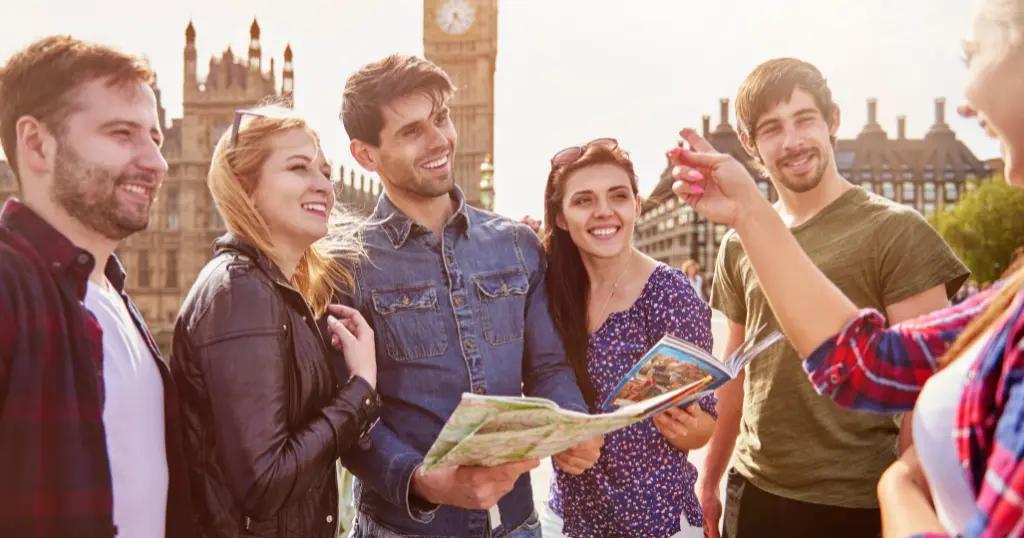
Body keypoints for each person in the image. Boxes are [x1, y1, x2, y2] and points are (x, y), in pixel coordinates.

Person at [671, 2, 1024, 535]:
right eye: (772, 128)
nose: (791, 142)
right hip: (756, 488)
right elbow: (846, 363)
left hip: (852, 504)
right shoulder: (738, 246)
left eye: (805, 120)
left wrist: (900, 489)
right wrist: (711, 477)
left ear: (833, 122)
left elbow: (920, 390)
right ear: (750, 144)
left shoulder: (896, 230)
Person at [337, 54, 602, 538]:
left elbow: (548, 368)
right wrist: (422, 481)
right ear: (365, 155)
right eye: (412, 131)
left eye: (441, 118)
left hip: (514, 525)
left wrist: (571, 425)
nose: (440, 140)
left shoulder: (517, 246)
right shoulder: (347, 266)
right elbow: (345, 419)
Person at [0, 36, 194, 537]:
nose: (157, 162)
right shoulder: (10, 286)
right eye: (122, 133)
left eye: (154, 135)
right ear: (37, 143)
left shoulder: (111, 295)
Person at [171, 106, 382, 537]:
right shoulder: (241, 292)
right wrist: (360, 389)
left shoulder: (269, 288)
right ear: (246, 190)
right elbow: (266, 483)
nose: (323, 184)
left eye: (324, 171)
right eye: (298, 167)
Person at [539, 138, 716, 538]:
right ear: (563, 218)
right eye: (583, 200)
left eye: (617, 196)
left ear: (636, 206)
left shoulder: (669, 294)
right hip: (567, 517)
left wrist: (687, 427)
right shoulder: (550, 292)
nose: (604, 211)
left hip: (656, 520)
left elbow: (705, 424)